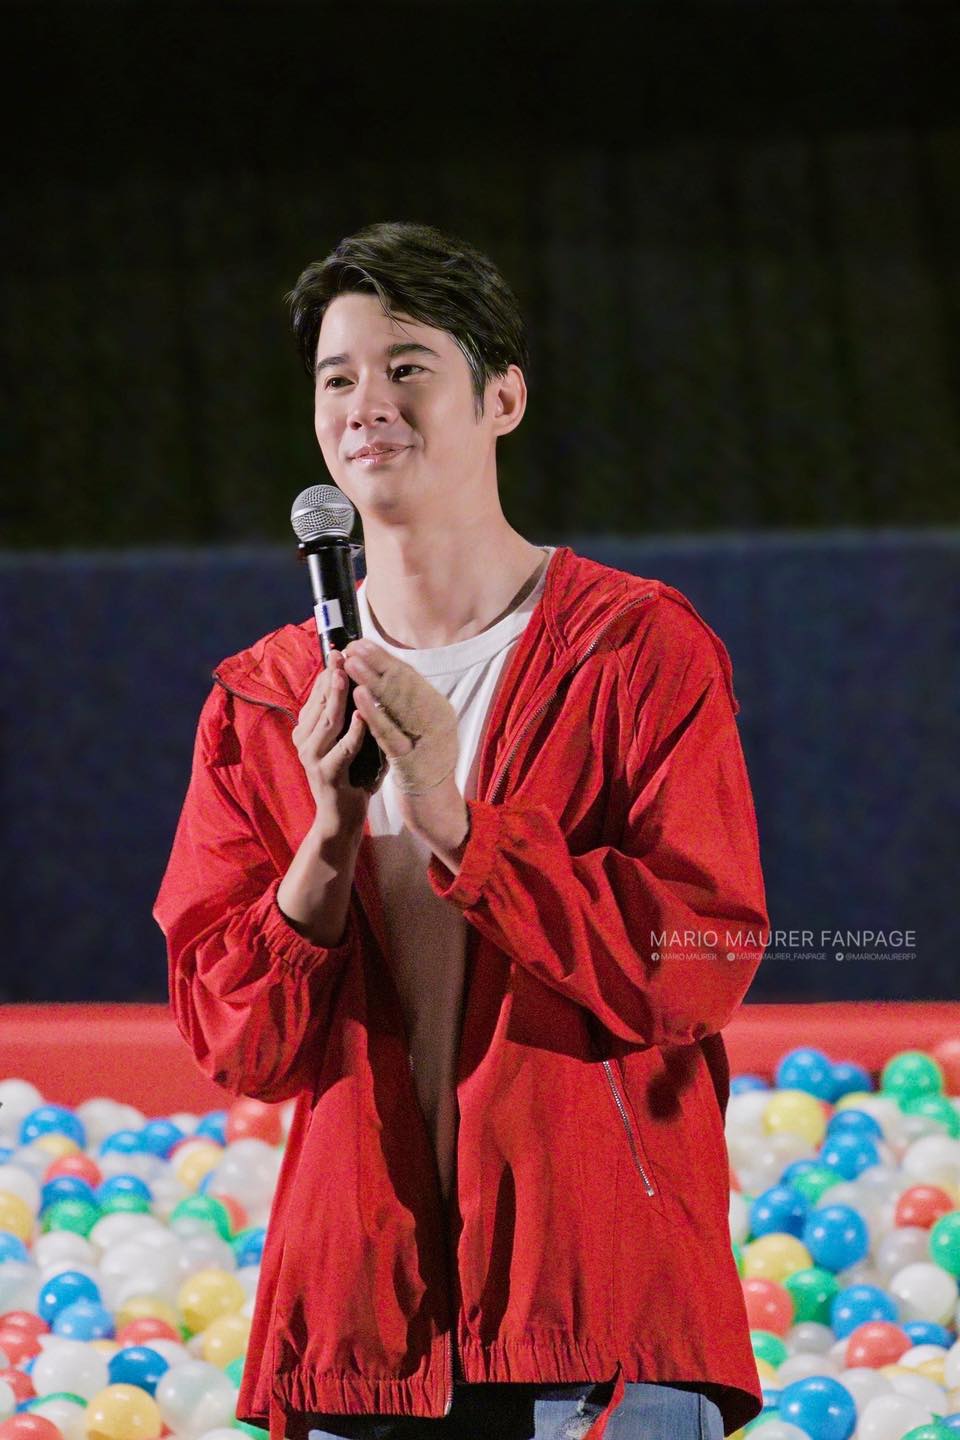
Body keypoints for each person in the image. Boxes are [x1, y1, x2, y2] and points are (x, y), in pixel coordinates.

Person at [154, 221, 769, 1440]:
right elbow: (235, 1040)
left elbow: (700, 958)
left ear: (503, 400)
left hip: (599, 1321)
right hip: (362, 1338)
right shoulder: (264, 700)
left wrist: (456, 820)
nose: (366, 405)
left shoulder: (636, 649)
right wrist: (328, 839)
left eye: (408, 367)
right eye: (337, 378)